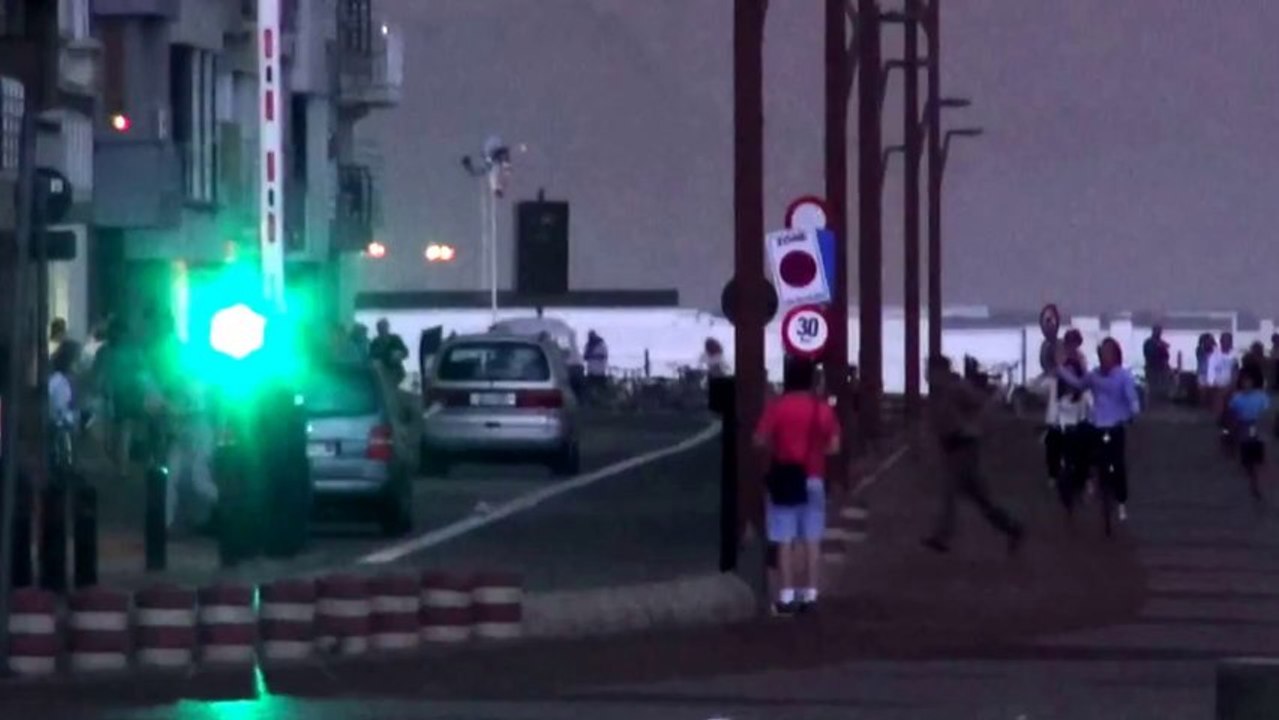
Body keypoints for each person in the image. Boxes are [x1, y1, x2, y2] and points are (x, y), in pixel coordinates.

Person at [755, 358, 840, 615]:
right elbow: (834, 447)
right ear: (812, 380)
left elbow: (758, 440)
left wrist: (778, 449)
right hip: (814, 479)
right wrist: (814, 453)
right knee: (812, 540)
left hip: (785, 479)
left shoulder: (776, 407)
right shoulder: (822, 409)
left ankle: (786, 596)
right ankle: (811, 595)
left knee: (784, 539)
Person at [923, 355, 1024, 554]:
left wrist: (974, 427)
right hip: (952, 448)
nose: (926, 374)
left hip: (963, 448)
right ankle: (1013, 528)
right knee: (982, 499)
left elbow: (984, 403)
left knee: (951, 491)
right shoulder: (938, 393)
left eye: (930, 370)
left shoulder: (957, 388)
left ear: (940, 372)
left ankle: (942, 536)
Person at [1056, 337, 1141, 523]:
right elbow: (1079, 384)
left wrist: (1134, 413)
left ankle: (1121, 501)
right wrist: (1061, 370)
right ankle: (1078, 483)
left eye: (1107, 354)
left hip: (1115, 425)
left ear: (1115, 356)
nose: (1104, 357)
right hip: (1095, 424)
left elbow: (1132, 398)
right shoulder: (1093, 375)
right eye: (1102, 354)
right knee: (1076, 448)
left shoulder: (1123, 376)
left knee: (1118, 464)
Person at [1227, 362, 1270, 502]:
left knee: (1258, 459)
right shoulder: (1237, 398)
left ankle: (1257, 485)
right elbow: (1232, 416)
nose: (1247, 384)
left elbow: (1266, 413)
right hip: (1243, 428)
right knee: (1247, 460)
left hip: (1256, 427)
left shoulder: (1261, 396)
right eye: (1244, 382)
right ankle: (1252, 480)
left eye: (1249, 381)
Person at [1208, 332, 1240, 445]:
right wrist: (1212, 384)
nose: (1226, 343)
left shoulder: (1235, 355)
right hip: (1218, 386)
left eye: (1229, 341)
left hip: (1231, 385)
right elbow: (1211, 372)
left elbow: (1236, 371)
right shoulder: (1214, 356)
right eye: (1224, 341)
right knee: (1220, 401)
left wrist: (1233, 385)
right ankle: (1222, 422)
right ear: (1221, 342)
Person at [369, 318, 408, 385]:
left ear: (387, 327)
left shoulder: (395, 339)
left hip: (397, 372)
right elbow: (371, 356)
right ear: (377, 329)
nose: (382, 329)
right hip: (382, 373)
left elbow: (405, 352)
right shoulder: (375, 342)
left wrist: (398, 354)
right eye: (380, 327)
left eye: (384, 327)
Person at [1143, 325, 1171, 403]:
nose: (1159, 333)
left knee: (1163, 389)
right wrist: (1158, 347)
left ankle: (1161, 403)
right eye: (1157, 331)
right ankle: (1153, 403)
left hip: (1162, 369)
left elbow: (1166, 355)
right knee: (1153, 389)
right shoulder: (1149, 342)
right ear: (1153, 331)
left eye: (1160, 331)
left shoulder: (1161, 343)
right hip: (1152, 369)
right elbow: (1149, 355)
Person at [583, 330, 609, 401]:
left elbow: (604, 356)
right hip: (591, 371)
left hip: (600, 371)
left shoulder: (601, 345)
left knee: (602, 389)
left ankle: (603, 401)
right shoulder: (588, 345)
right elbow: (585, 357)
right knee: (589, 389)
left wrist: (593, 356)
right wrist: (589, 356)